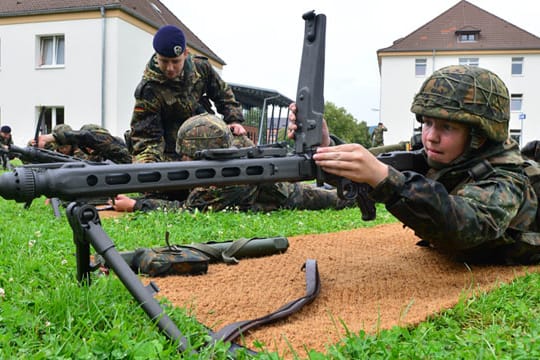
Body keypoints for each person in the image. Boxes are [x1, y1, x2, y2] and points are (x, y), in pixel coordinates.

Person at [288, 65, 540, 265]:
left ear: (479, 135)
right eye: (427, 122)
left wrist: (388, 181)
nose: (431, 136)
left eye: (447, 127)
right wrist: (326, 145)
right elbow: (370, 159)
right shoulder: (436, 153)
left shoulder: (506, 177)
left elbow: (467, 225)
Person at [110, 113, 355, 213]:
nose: (181, 159)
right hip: (273, 185)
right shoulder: (232, 149)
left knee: (338, 198)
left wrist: (136, 205)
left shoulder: (226, 180)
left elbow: (188, 209)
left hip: (286, 195)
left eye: (185, 154)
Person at [129, 24, 247, 164]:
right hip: (172, 154)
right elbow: (147, 139)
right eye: (164, 61)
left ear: (186, 53)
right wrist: (148, 166)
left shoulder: (201, 68)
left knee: (244, 146)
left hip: (207, 142)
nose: (170, 68)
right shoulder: (149, 90)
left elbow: (224, 96)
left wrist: (234, 120)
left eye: (175, 61)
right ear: (157, 56)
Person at [33, 123, 132, 164]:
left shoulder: (116, 147)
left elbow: (88, 137)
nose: (88, 149)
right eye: (85, 146)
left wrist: (52, 137)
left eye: (90, 144)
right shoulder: (94, 155)